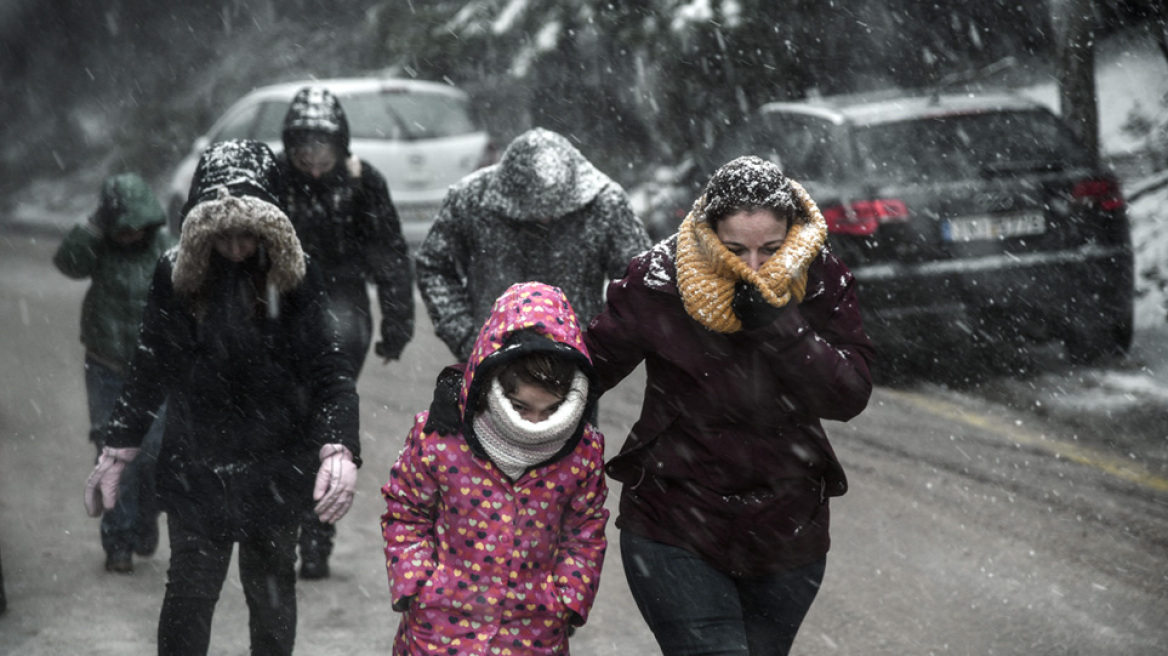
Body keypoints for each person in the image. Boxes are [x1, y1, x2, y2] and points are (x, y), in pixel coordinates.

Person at [582, 156, 876, 656]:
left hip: (787, 529)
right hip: (672, 522)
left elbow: (847, 394)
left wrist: (780, 325)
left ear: (793, 233)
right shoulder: (657, 278)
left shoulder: (820, 274)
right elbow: (585, 370)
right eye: (736, 249)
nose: (753, 268)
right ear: (708, 233)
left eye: (771, 249)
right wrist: (479, 387)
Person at [82, 140, 361, 655]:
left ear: (269, 227)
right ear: (200, 233)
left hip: (277, 465)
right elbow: (150, 364)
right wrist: (118, 447)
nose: (235, 247)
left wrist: (338, 445)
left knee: (272, 594)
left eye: (247, 235)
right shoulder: (176, 276)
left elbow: (331, 368)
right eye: (221, 236)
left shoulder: (298, 276)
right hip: (197, 465)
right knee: (189, 594)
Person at [381, 281, 609, 655]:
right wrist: (417, 584)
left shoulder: (581, 452)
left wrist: (568, 599)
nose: (535, 424)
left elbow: (585, 530)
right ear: (492, 383)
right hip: (438, 630)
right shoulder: (440, 437)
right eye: (521, 407)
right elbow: (405, 510)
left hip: (535, 632)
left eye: (550, 411)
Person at [275, 84, 415, 580]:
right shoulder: (276, 183)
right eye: (303, 148)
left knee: (326, 418)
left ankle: (316, 533)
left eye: (323, 148)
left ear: (341, 146)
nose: (313, 159)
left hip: (343, 312)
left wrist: (397, 320)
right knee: (285, 422)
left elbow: (390, 254)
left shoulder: (362, 183)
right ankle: (287, 526)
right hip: (281, 313)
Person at [416, 127, 650, 362]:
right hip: (489, 361)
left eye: (554, 212)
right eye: (531, 212)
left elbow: (638, 288)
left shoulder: (604, 203)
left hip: (574, 367)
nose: (543, 220)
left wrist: (599, 349)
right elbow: (434, 266)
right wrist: (466, 338)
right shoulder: (471, 198)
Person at [54, 172, 175, 573]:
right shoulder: (98, 247)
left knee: (153, 451)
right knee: (111, 450)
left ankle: (145, 519)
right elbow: (67, 262)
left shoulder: (164, 248)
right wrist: (92, 227)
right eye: (119, 228)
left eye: (133, 227)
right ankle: (117, 541)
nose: (126, 236)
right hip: (106, 363)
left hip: (154, 367)